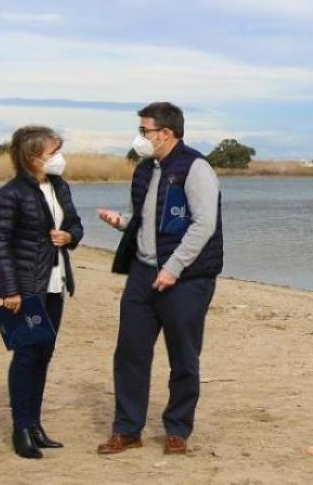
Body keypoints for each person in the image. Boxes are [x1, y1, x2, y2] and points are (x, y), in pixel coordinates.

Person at [95, 102, 223, 455]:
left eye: (144, 131)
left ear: (165, 133)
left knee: (183, 357)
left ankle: (177, 430)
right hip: (142, 273)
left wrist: (174, 268)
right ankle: (127, 429)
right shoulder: (144, 169)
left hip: (186, 279)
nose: (139, 137)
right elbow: (149, 218)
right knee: (130, 353)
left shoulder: (196, 168)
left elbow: (203, 224)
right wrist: (122, 222)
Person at [0, 126, 84, 459]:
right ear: (32, 156)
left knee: (44, 353)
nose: (58, 158)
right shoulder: (11, 193)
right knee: (27, 354)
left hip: (57, 283)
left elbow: (75, 223)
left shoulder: (59, 186)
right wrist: (11, 290)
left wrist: (70, 236)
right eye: (52, 152)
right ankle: (22, 428)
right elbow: (0, 244)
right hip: (28, 286)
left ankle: (36, 425)